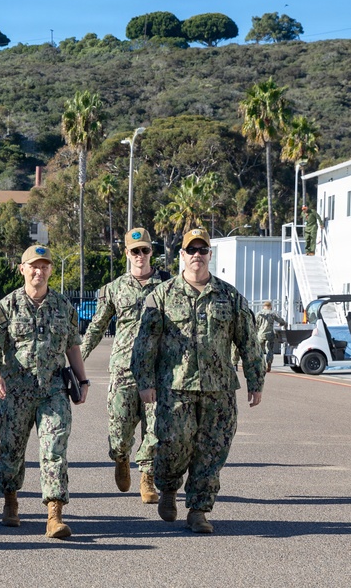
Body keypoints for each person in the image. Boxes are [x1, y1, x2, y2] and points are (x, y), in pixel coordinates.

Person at [130, 227, 264, 534]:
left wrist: (256, 381)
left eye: (202, 251)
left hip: (219, 389)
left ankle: (199, 510)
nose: (197, 256)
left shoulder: (229, 297)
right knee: (174, 445)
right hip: (174, 388)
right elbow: (145, 344)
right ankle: (167, 486)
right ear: (182, 256)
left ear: (210, 256)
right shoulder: (161, 296)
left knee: (212, 450)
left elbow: (249, 341)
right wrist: (145, 381)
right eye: (191, 251)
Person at [0, 245, 90, 539]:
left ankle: (54, 515)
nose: (38, 271)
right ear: (22, 269)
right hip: (15, 390)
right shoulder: (7, 305)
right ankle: (10, 501)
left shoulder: (63, 307)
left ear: (51, 270)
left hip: (53, 390)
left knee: (54, 450)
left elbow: (72, 346)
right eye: (33, 266)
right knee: (12, 451)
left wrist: (82, 381)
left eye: (44, 266)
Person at [81, 228, 169, 505]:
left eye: (145, 250)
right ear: (127, 254)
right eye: (135, 251)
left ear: (151, 252)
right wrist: (76, 359)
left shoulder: (168, 286)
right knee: (119, 431)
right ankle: (121, 458)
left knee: (156, 429)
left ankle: (147, 479)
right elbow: (96, 327)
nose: (140, 255)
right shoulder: (114, 289)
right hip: (123, 370)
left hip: (157, 370)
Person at [256, 301, 287, 373]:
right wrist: (281, 324)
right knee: (269, 350)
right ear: (270, 306)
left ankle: (261, 365)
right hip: (270, 335)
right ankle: (269, 361)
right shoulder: (272, 313)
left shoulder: (258, 314)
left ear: (263, 306)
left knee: (259, 351)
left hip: (260, 335)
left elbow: (254, 324)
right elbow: (282, 321)